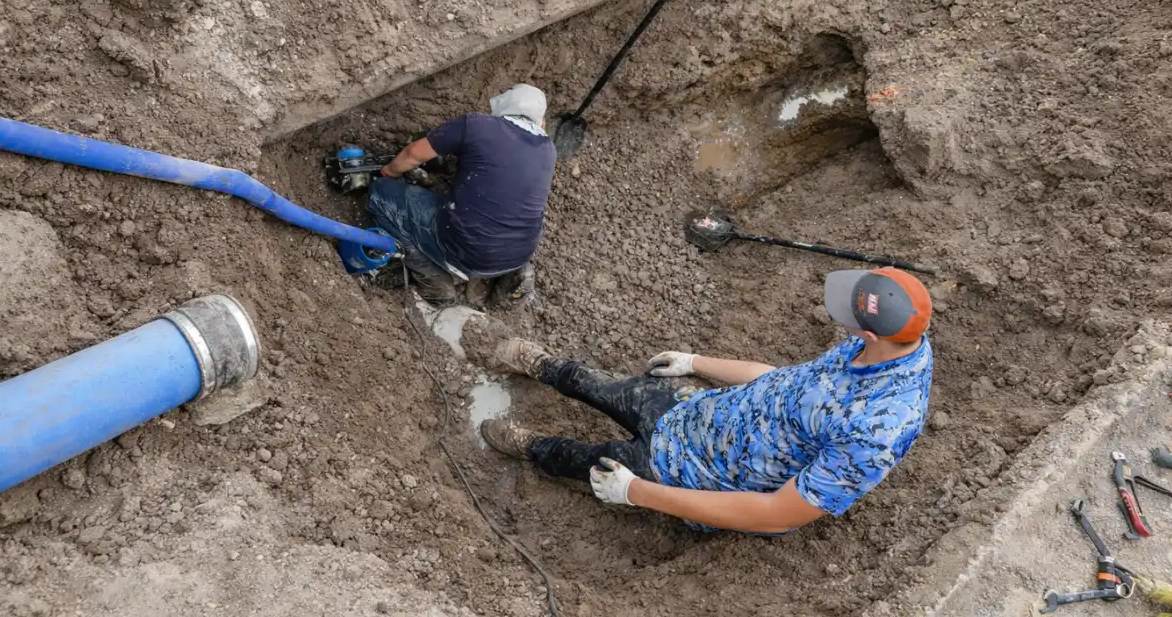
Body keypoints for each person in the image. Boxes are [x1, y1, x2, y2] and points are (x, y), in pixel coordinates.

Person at [479, 267, 933, 534]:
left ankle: (529, 445)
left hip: (690, 474)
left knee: (583, 460)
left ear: (872, 332)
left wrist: (635, 491)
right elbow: (786, 384)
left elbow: (776, 515)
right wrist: (697, 361)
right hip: (694, 413)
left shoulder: (874, 432)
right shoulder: (874, 346)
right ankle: (538, 364)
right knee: (595, 382)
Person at [367, 84, 556, 306]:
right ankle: (514, 276)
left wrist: (385, 173)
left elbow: (412, 154)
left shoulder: (476, 126)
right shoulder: (548, 149)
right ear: (540, 121)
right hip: (519, 253)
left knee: (380, 194)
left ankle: (433, 277)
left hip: (464, 250)